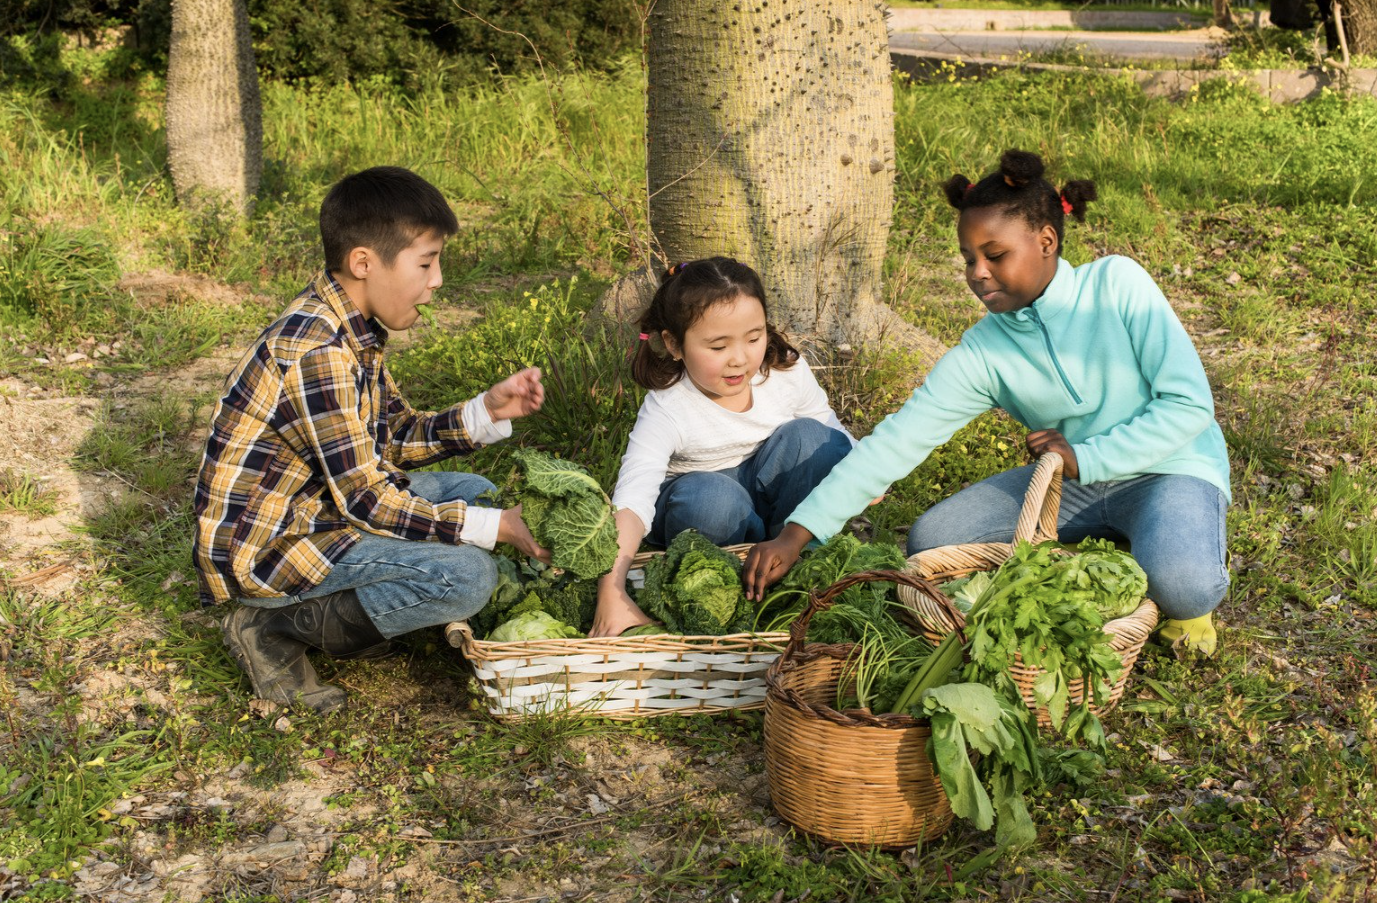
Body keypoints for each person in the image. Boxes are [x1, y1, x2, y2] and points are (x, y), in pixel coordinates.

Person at [744, 150, 1231, 658]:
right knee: (934, 541)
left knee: (1183, 586)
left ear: (1046, 240)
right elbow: (896, 441)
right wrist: (798, 533)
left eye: (994, 255)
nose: (977, 272)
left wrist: (1088, 456)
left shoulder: (1117, 286)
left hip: (1172, 467)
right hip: (1068, 483)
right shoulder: (984, 350)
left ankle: (1165, 545)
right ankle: (1111, 545)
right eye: (968, 259)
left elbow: (1189, 405)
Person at [193, 166, 551, 714]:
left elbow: (391, 438)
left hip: (314, 510)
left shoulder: (350, 327)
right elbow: (367, 499)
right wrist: (494, 529)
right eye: (426, 262)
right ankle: (271, 628)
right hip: (270, 549)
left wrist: (486, 411)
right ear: (364, 262)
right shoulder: (320, 352)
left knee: (471, 489)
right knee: (469, 574)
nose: (436, 280)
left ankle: (351, 611)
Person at [589, 257, 855, 637]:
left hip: (771, 495)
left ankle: (795, 563)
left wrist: (862, 470)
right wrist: (611, 589)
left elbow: (831, 428)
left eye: (753, 338)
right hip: (703, 510)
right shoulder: (668, 407)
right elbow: (633, 498)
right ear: (674, 345)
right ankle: (728, 586)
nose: (740, 358)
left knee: (814, 439)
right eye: (717, 346)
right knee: (713, 498)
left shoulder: (785, 372)